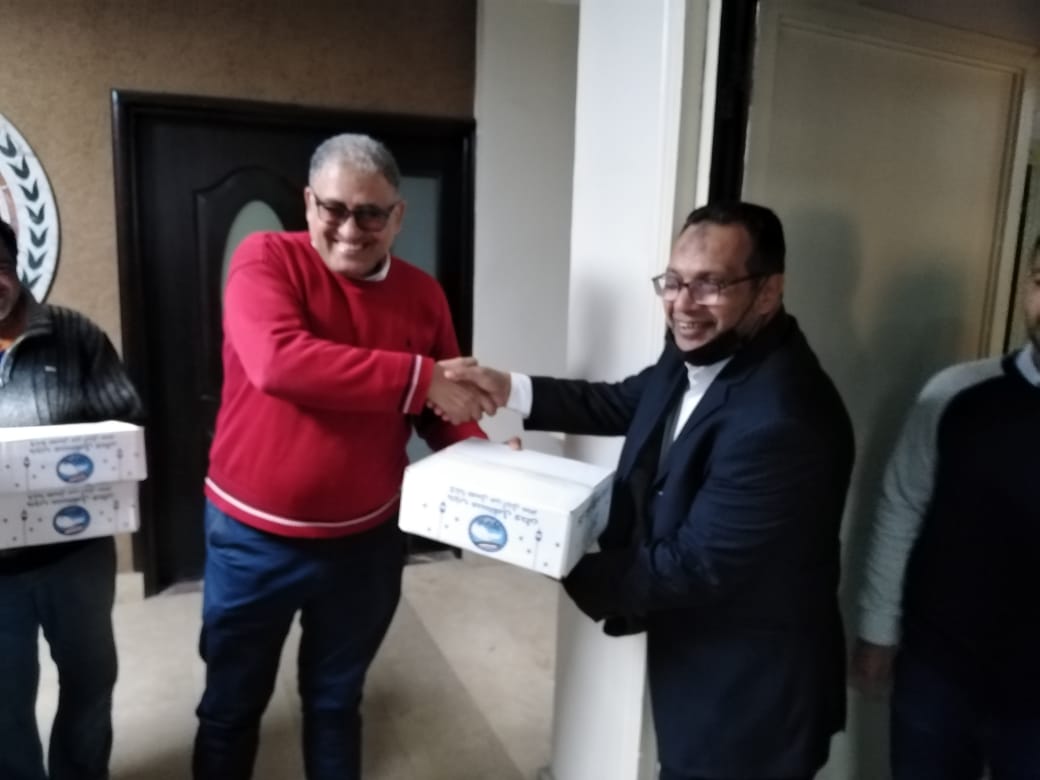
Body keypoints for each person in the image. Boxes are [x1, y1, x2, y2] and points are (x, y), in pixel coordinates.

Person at [443, 202, 855, 780]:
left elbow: (694, 565)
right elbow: (623, 402)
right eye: (674, 281)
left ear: (767, 291)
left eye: (710, 284)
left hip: (751, 694)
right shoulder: (702, 350)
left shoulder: (782, 419)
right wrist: (507, 387)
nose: (683, 304)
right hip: (699, 658)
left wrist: (543, 539)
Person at [193, 133, 490, 780]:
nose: (350, 230)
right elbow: (278, 362)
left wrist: (492, 468)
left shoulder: (423, 295)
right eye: (333, 209)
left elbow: (441, 407)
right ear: (308, 203)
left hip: (365, 545)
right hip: (252, 540)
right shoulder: (265, 258)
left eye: (370, 214)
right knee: (230, 708)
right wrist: (419, 377)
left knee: (334, 703)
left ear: (397, 216)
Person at [852, 235, 1040, 779]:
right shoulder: (955, 393)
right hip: (939, 669)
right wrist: (878, 629)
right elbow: (901, 506)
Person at [0, 218, 143, 780]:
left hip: (76, 556)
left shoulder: (75, 334)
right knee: (4, 704)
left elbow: (126, 418)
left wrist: (81, 453)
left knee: (90, 681)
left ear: (16, 268)